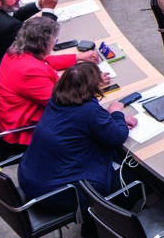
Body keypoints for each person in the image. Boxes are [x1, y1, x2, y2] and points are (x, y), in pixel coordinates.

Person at [17, 60, 132, 205]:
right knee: (135, 177)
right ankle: (103, 223)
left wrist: (108, 119)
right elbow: (118, 137)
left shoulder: (56, 100)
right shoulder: (88, 111)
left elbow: (81, 124)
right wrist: (116, 113)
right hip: (57, 192)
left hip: (31, 179)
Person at [0, 13, 90, 145]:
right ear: (45, 43)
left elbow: (45, 62)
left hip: (16, 115)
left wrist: (77, 57)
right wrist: (89, 82)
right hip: (27, 130)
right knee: (89, 124)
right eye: (54, 41)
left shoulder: (16, 52)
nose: (55, 43)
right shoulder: (30, 72)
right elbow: (63, 102)